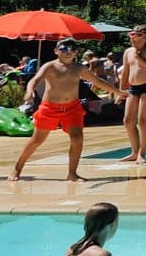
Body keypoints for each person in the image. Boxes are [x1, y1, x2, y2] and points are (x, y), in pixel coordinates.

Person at [11, 38, 127, 181]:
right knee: (36, 140)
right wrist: (29, 92)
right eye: (64, 49)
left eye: (72, 49)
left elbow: (97, 81)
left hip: (72, 108)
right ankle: (17, 168)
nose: (68, 52)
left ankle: (72, 173)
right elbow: (35, 80)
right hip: (50, 108)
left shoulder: (79, 68)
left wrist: (118, 92)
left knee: (77, 138)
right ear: (56, 51)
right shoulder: (50, 66)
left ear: (77, 52)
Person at [121, 25, 146, 164]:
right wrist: (121, 92)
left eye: (138, 36)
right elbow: (125, 72)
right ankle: (134, 151)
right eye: (132, 35)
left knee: (143, 121)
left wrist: (139, 57)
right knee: (128, 121)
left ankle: (142, 154)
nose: (134, 39)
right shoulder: (128, 52)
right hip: (133, 88)